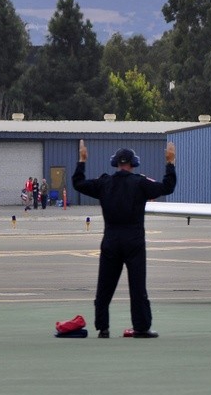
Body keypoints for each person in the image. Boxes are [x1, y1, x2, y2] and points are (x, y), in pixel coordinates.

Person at [72, 139, 177, 339]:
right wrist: (170, 163)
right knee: (137, 286)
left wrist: (82, 161)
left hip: (111, 238)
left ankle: (103, 327)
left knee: (105, 285)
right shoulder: (141, 183)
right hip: (134, 240)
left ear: (116, 164)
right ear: (133, 163)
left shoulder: (104, 183)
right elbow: (167, 187)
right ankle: (141, 326)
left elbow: (78, 184)